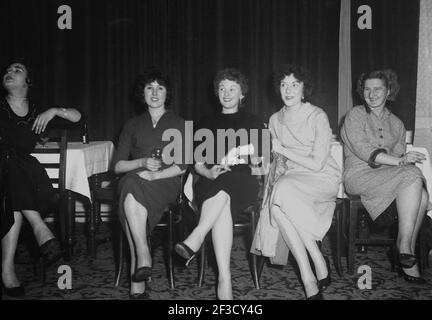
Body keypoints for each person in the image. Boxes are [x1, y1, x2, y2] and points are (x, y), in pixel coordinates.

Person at [174, 68, 266, 300]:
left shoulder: (253, 120)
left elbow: (260, 160)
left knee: (228, 181)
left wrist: (244, 152)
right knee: (221, 197)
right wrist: (208, 171)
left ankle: (197, 235)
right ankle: (224, 280)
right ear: (217, 93)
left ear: (242, 94)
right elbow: (197, 164)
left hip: (243, 181)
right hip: (210, 182)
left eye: (232, 89)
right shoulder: (205, 122)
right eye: (222, 88)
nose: (226, 93)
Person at [252, 64, 340, 300]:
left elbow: (317, 164)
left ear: (304, 89)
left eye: (294, 84)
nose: (288, 90)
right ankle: (310, 273)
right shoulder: (274, 119)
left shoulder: (317, 115)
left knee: (281, 194)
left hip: (321, 177)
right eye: (283, 84)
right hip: (290, 179)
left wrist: (281, 149)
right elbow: (273, 162)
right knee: (278, 199)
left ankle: (316, 265)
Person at [0, 60, 82, 297]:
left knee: (13, 191)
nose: (9, 72)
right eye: (7, 70)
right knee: (11, 165)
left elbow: (79, 118)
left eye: (17, 70)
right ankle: (39, 227)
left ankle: (7, 270)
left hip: (20, 176)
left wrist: (55, 110)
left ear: (28, 80)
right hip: (6, 169)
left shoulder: (37, 110)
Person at [341, 69, 429, 283]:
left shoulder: (397, 123)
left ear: (388, 91)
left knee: (423, 196)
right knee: (413, 175)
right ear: (362, 92)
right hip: (358, 175)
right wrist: (401, 161)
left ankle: (405, 251)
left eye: (378, 89)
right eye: (367, 89)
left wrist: (401, 161)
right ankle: (405, 246)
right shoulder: (355, 115)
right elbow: (363, 150)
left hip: (387, 175)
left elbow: (399, 158)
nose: (372, 94)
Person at [113, 69, 186, 299]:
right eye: (149, 88)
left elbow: (183, 167)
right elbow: (117, 166)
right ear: (142, 93)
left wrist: (155, 175)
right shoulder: (132, 124)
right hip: (136, 179)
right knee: (130, 184)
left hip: (165, 182)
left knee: (130, 187)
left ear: (167, 93)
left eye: (160, 88)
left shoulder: (181, 123)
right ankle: (143, 260)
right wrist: (142, 162)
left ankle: (139, 272)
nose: (154, 93)